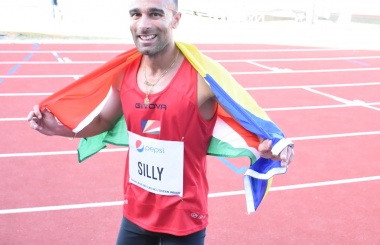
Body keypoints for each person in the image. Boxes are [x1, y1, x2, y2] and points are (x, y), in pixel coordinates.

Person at [27, 0, 295, 244]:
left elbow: (248, 114)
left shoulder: (203, 78)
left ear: (175, 20)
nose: (143, 24)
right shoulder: (124, 73)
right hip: (135, 212)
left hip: (184, 219)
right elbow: (103, 120)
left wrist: (273, 144)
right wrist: (59, 130)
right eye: (136, 14)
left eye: (155, 14)